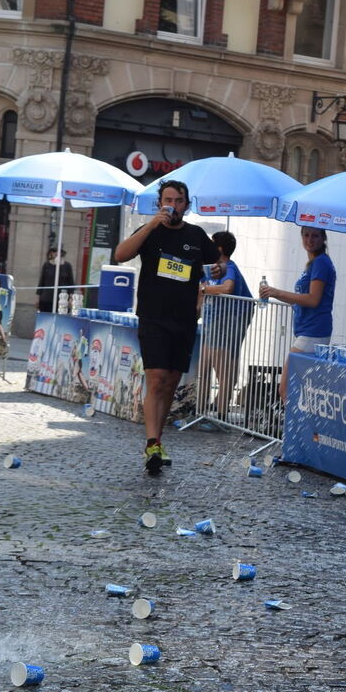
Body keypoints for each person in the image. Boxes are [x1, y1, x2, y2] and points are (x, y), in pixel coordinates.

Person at [114, 179, 219, 475]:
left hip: (184, 319)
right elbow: (121, 255)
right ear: (160, 203)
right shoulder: (150, 231)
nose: (171, 205)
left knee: (171, 383)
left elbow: (215, 261)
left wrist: (219, 267)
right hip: (153, 316)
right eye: (167, 200)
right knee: (157, 378)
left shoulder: (196, 235)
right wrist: (149, 225)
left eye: (177, 200)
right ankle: (151, 443)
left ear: (186, 205)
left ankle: (157, 442)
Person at [260, 227, 336, 403]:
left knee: (287, 389)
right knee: (302, 390)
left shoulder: (321, 263)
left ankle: (299, 431)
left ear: (323, 238)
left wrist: (275, 292)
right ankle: (307, 431)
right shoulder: (316, 263)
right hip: (309, 331)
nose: (310, 240)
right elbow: (302, 300)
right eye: (306, 235)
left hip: (313, 332)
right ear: (301, 237)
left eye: (315, 236)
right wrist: (275, 293)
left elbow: (313, 299)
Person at [198, 231, 253, 426]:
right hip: (213, 321)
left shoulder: (229, 267)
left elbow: (227, 288)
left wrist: (204, 290)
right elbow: (200, 296)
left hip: (230, 320)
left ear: (219, 249)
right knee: (204, 366)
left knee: (223, 369)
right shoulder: (209, 268)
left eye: (211, 244)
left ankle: (220, 416)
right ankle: (200, 412)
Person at [37, 248, 74, 314]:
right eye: (54, 251)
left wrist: (71, 298)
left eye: (59, 251)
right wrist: (38, 298)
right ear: (51, 253)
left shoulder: (67, 266)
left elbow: (71, 282)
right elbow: (41, 282)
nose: (56, 253)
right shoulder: (46, 265)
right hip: (46, 298)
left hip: (62, 299)